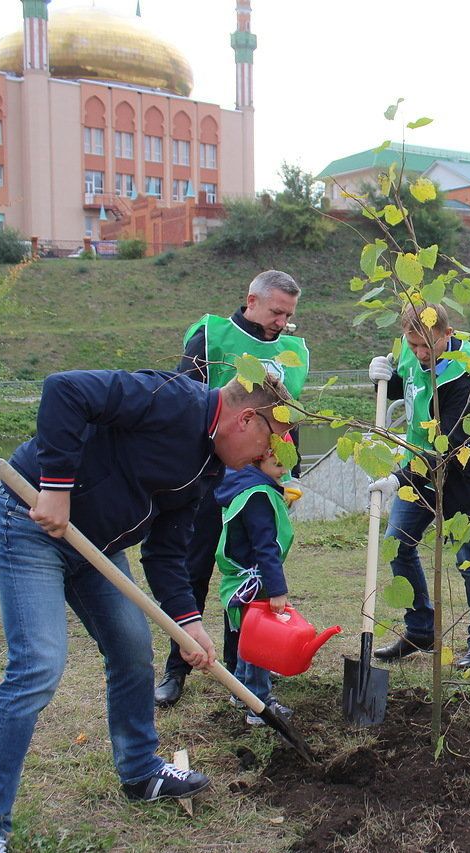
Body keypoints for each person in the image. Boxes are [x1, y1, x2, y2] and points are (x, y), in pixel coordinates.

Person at [0, 369, 293, 853]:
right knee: (38, 664)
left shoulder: (210, 467)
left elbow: (165, 552)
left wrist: (189, 624)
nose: (267, 458)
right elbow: (64, 390)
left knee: (134, 650)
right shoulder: (171, 399)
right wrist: (55, 486)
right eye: (269, 444)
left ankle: (140, 770)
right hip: (29, 517)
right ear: (246, 419)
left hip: (98, 547)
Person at [156, 269, 309, 707]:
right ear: (252, 300)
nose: (282, 321)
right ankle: (176, 667)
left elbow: (289, 418)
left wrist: (288, 474)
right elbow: (182, 398)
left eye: (289, 314)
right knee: (192, 568)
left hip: (257, 480)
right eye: (277, 311)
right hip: (206, 475)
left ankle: (239, 670)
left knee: (249, 574)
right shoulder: (212, 335)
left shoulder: (293, 350)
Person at [365, 303, 470, 669]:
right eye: (414, 347)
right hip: (417, 470)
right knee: (397, 545)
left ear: (447, 333)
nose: (421, 355)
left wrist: (397, 478)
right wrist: (381, 377)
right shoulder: (411, 351)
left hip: (462, 476)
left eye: (428, 346)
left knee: (468, 559)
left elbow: (450, 443)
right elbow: (406, 386)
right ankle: (420, 629)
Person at [216, 440, 297, 726]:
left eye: (288, 463)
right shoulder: (259, 496)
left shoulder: (245, 487)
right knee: (262, 643)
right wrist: (277, 590)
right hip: (254, 579)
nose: (284, 471)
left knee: (248, 637)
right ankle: (259, 704)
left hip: (239, 579)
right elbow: (265, 548)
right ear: (257, 462)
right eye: (277, 465)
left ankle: (240, 690)